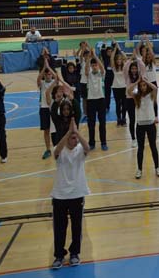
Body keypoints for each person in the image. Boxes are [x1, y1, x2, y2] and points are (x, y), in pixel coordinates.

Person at [50, 118, 89, 269]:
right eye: (72, 138)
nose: (75, 140)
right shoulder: (60, 149)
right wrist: (68, 133)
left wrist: (77, 132)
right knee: (59, 227)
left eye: (76, 138)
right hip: (60, 194)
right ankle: (59, 255)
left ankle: (74, 253)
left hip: (77, 194)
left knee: (76, 226)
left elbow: (87, 147)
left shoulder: (80, 150)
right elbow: (56, 151)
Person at [127, 78, 159, 179]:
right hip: (140, 125)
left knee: (153, 147)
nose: (143, 87)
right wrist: (137, 81)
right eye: (141, 86)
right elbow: (128, 90)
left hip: (151, 124)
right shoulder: (136, 97)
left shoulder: (151, 95)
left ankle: (157, 168)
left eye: (144, 85)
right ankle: (139, 169)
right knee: (140, 148)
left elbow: (155, 88)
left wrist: (146, 81)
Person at [84, 50, 107, 151]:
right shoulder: (89, 74)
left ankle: (103, 142)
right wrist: (89, 58)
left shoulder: (101, 74)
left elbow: (102, 67)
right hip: (91, 101)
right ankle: (92, 143)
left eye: (96, 65)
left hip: (101, 100)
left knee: (102, 123)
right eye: (93, 65)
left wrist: (96, 57)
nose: (94, 67)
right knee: (91, 123)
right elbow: (86, 69)